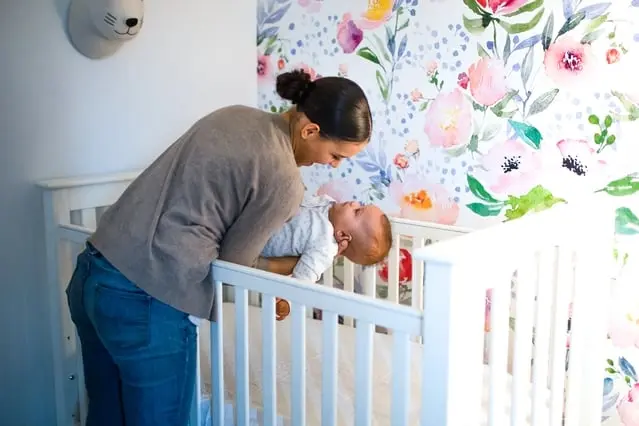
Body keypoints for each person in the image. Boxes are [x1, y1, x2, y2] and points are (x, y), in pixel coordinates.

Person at [65, 69, 372, 426]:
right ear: (309, 131)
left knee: (106, 415)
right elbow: (234, 267)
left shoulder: (236, 113)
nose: (331, 165)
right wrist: (293, 263)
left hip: (93, 274)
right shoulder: (285, 179)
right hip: (148, 296)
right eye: (336, 155)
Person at [261, 194, 394, 321]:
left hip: (260, 239)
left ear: (342, 235)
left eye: (357, 211)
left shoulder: (325, 246)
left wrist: (287, 300)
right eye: (361, 205)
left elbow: (304, 278)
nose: (354, 203)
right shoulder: (329, 205)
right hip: (262, 210)